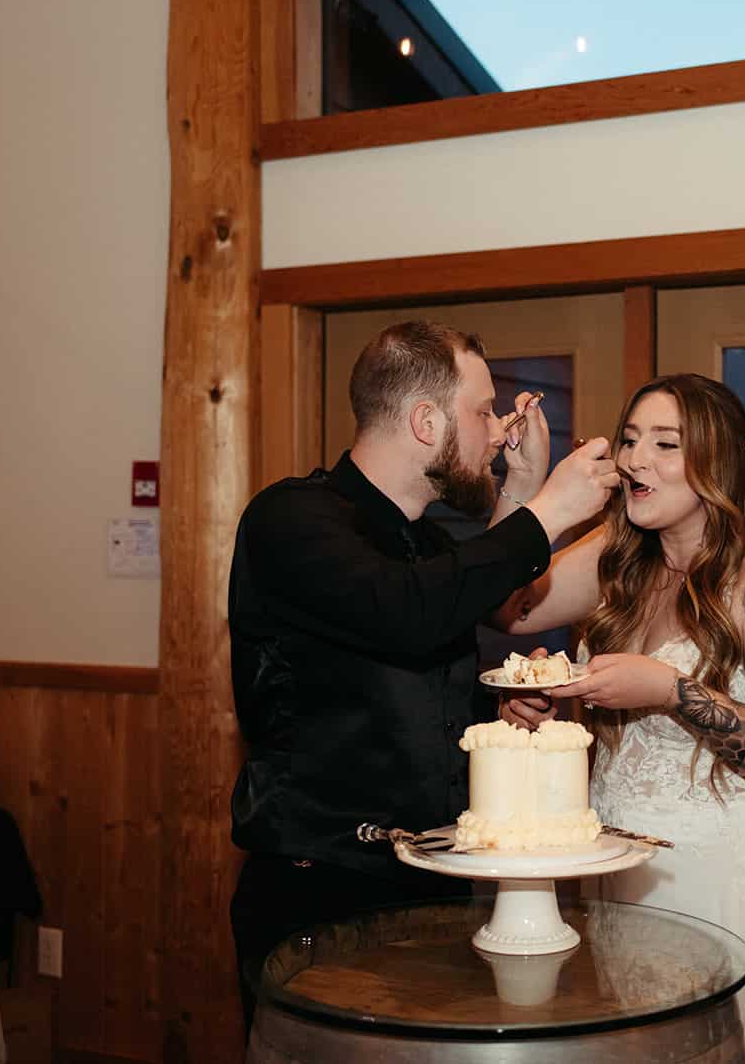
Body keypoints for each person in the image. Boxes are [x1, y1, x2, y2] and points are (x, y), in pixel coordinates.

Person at [226, 320, 619, 1031]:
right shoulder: (291, 518)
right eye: (481, 411)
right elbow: (404, 613)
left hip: (433, 888)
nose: (497, 430)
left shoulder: (431, 545)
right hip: (320, 894)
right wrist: (550, 507)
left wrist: (494, 712)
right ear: (425, 420)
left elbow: (431, 658)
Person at [493, 374, 745, 1063]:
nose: (637, 460)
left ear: (718, 462)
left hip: (734, 883)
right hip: (625, 883)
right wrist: (524, 490)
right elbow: (505, 603)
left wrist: (675, 692)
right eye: (632, 439)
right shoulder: (620, 561)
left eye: (666, 444)